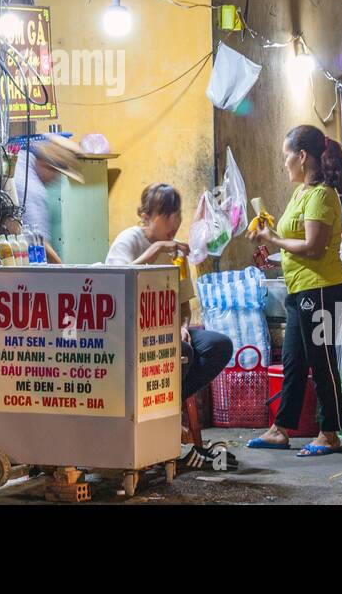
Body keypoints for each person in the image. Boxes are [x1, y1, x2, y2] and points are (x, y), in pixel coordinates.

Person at [106, 184, 235, 470]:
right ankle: (160, 419)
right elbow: (115, 279)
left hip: (167, 334)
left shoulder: (176, 253)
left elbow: (184, 307)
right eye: (166, 214)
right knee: (182, 351)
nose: (173, 222)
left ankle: (166, 405)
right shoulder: (129, 240)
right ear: (146, 215)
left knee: (217, 345)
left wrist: (182, 326)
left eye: (176, 213)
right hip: (128, 335)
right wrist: (155, 250)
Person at [247, 125, 342, 457]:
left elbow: (312, 247)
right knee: (293, 361)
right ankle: (281, 428)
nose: (285, 163)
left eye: (287, 156)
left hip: (322, 289)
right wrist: (272, 256)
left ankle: (330, 432)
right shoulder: (301, 193)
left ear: (302, 156)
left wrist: (273, 240)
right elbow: (295, 248)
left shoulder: (322, 194)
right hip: (300, 287)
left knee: (322, 361)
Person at [9, 135, 84, 264]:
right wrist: (65, 272)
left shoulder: (21, 158)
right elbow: (37, 242)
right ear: (48, 167)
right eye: (57, 174)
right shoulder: (32, 189)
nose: (55, 180)